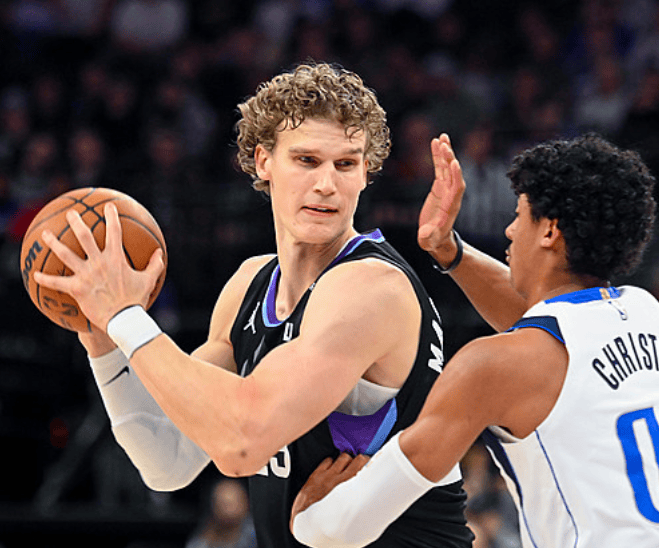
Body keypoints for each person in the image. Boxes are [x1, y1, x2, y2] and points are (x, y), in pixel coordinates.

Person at [33, 63, 474, 548]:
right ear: (264, 161)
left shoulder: (371, 288)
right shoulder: (250, 284)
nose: (327, 183)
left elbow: (242, 444)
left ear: (366, 171)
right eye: (307, 160)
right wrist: (101, 338)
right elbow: (168, 461)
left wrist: (125, 316)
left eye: (346, 164)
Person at [290, 132, 659, 548]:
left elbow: (349, 525)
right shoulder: (644, 312)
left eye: (520, 215)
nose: (509, 230)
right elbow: (546, 322)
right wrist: (447, 249)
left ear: (549, 231)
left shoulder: (491, 365)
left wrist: (308, 518)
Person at [185, 478, 257, 548]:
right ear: (213, 507)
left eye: (231, 504)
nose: (228, 511)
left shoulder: (257, 534)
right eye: (223, 504)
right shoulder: (203, 538)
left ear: (245, 503)